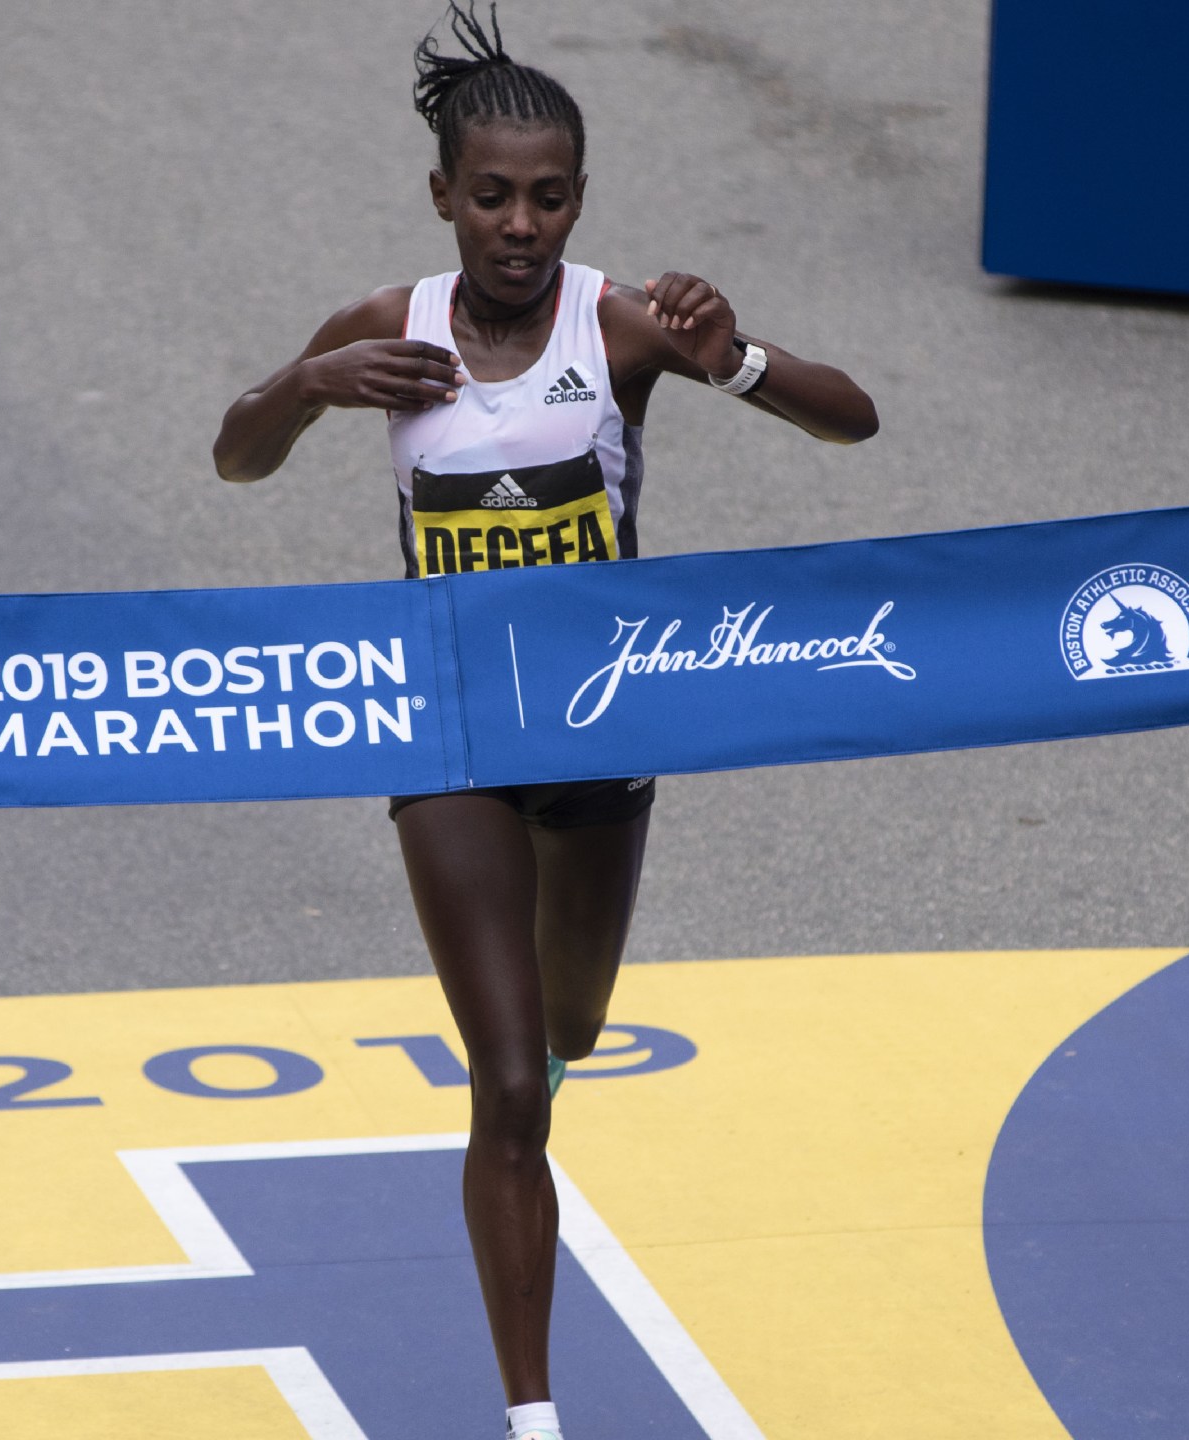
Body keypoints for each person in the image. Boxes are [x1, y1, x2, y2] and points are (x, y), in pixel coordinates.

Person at [212, 6, 876, 1435]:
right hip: (449, 740)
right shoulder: (381, 330)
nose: (521, 224)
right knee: (508, 1091)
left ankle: (556, 1038)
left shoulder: (619, 321)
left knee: (570, 1027)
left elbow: (853, 420)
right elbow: (234, 457)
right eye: (494, 194)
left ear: (579, 197)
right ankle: (536, 1417)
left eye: (551, 195)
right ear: (443, 194)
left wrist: (736, 356)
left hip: (600, 740)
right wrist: (311, 388)